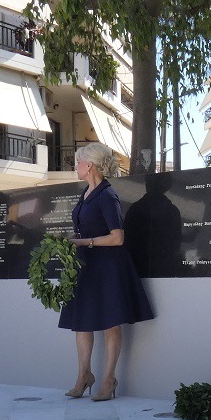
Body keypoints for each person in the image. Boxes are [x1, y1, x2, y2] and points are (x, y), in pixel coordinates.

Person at [58, 142, 153, 401]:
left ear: (89, 165)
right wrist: (73, 242)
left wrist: (84, 242)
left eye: (78, 162)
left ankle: (108, 380)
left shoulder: (107, 195)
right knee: (82, 322)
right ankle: (84, 376)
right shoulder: (87, 192)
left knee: (111, 322)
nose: (76, 166)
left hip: (108, 265)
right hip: (86, 265)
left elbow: (117, 237)